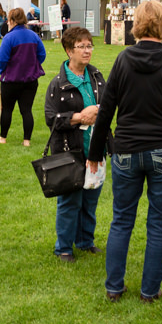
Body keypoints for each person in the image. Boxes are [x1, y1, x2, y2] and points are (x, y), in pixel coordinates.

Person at [92, 0, 162, 302]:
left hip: (126, 150)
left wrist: (94, 153)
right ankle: (149, 291)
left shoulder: (123, 60)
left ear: (136, 24)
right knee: (159, 221)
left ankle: (114, 287)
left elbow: (106, 110)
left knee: (122, 218)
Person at [44, 25, 105, 259]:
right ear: (69, 51)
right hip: (70, 152)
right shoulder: (58, 84)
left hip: (95, 149)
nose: (87, 51)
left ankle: (85, 241)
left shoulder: (97, 76)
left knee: (90, 200)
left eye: (90, 46)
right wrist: (79, 117)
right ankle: (64, 248)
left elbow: (109, 103)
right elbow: (51, 119)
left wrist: (98, 111)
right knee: (70, 202)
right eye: (81, 47)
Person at [0, 7, 46, 145]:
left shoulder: (9, 37)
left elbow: (2, 59)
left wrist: (3, 71)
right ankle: (26, 141)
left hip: (10, 80)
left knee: (7, 110)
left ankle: (3, 138)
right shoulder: (33, 35)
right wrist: (32, 65)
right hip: (30, 80)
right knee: (26, 110)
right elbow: (42, 54)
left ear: (12, 20)